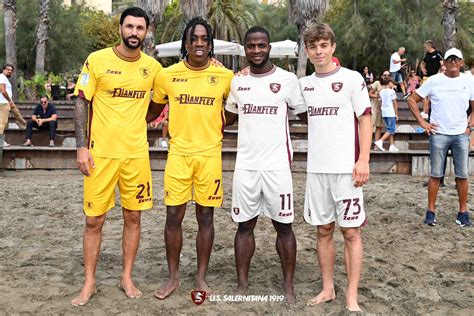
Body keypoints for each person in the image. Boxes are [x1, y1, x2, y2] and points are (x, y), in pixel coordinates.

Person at [71, 7, 163, 306]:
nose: (134, 32)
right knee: (93, 220)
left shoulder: (153, 67)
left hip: (136, 156)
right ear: (120, 28)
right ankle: (89, 283)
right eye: (129, 27)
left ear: (146, 32)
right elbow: (82, 102)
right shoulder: (97, 60)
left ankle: (126, 277)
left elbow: (164, 95)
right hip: (100, 155)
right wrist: (82, 146)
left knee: (133, 217)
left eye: (140, 28)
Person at [148, 17, 234, 299]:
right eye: (193, 39)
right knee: (173, 216)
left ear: (211, 44)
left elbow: (235, 109)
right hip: (179, 155)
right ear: (185, 44)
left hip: (210, 156)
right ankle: (173, 277)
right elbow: (151, 110)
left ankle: (200, 277)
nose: (199, 43)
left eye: (204, 39)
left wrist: (219, 121)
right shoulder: (167, 75)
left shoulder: (225, 77)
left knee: (205, 217)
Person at [224, 26, 306, 304]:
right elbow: (227, 118)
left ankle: (289, 287)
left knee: (284, 227)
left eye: (261, 45)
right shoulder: (237, 82)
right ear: (244, 48)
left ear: (269, 47)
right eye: (251, 46)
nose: (256, 50)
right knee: (244, 226)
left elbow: (306, 115)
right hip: (245, 166)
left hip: (277, 167)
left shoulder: (288, 80)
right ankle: (242, 285)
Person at [297, 23, 372, 312]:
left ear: (333, 47)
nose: (319, 51)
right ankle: (328, 288)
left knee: (351, 232)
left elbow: (365, 119)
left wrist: (363, 159)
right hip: (317, 170)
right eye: (313, 47)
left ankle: (351, 297)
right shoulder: (304, 85)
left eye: (324, 45)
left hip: (347, 171)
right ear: (307, 50)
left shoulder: (352, 79)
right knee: (323, 230)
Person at [407, 47, 473, 227]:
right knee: (436, 174)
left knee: (462, 175)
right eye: (449, 58)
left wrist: (470, 127)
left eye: (456, 59)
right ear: (443, 62)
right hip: (439, 134)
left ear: (461, 62)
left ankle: (463, 212)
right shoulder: (434, 81)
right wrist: (422, 122)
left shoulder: (469, 81)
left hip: (460, 134)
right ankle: (430, 211)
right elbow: (412, 99)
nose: (452, 61)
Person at [0, 64, 27, 147]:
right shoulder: (1, 77)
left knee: (17, 113)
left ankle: (25, 126)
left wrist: (10, 101)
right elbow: (3, 91)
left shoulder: (4, 78)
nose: (9, 71)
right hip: (4, 103)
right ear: (3, 69)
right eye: (8, 69)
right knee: (2, 122)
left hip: (8, 102)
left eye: (11, 70)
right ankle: (1, 142)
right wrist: (9, 101)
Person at [419, 40, 443, 119]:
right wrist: (423, 69)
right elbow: (422, 63)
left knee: (431, 95)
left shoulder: (437, 53)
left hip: (435, 77)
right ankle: (424, 111)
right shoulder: (427, 54)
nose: (425, 48)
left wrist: (439, 72)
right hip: (426, 77)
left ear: (429, 46)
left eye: (426, 46)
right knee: (423, 94)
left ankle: (428, 111)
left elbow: (442, 64)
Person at [374, 79, 399, 152]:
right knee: (391, 129)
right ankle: (380, 141)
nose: (393, 84)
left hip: (384, 112)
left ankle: (391, 145)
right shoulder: (392, 91)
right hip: (390, 112)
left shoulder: (381, 92)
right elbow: (395, 103)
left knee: (389, 129)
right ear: (389, 83)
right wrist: (396, 114)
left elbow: (380, 101)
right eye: (392, 83)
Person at [369, 71, 390, 145]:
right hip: (375, 106)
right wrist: (378, 96)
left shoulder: (389, 85)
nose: (386, 76)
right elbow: (370, 93)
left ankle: (376, 145)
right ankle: (366, 145)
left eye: (388, 75)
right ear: (381, 76)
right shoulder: (377, 83)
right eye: (385, 75)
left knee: (379, 127)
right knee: (370, 125)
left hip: (383, 108)